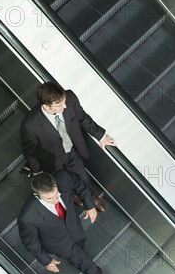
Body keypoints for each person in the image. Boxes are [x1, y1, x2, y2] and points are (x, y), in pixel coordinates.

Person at [20, 81, 116, 212]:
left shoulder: (70, 98)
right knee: (60, 181)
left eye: (64, 101)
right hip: (51, 160)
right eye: (59, 105)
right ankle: (73, 195)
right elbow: (30, 151)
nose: (65, 106)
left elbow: (83, 118)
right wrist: (37, 171)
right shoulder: (30, 125)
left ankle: (90, 197)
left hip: (71, 150)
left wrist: (101, 135)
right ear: (46, 107)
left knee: (82, 176)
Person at [17, 171, 109, 274]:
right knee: (77, 258)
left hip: (75, 227)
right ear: (36, 195)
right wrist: (46, 261)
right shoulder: (27, 217)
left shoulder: (63, 178)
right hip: (58, 243)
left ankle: (89, 266)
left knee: (80, 246)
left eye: (56, 194)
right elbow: (31, 244)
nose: (56, 200)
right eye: (49, 198)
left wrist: (90, 205)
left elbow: (79, 184)